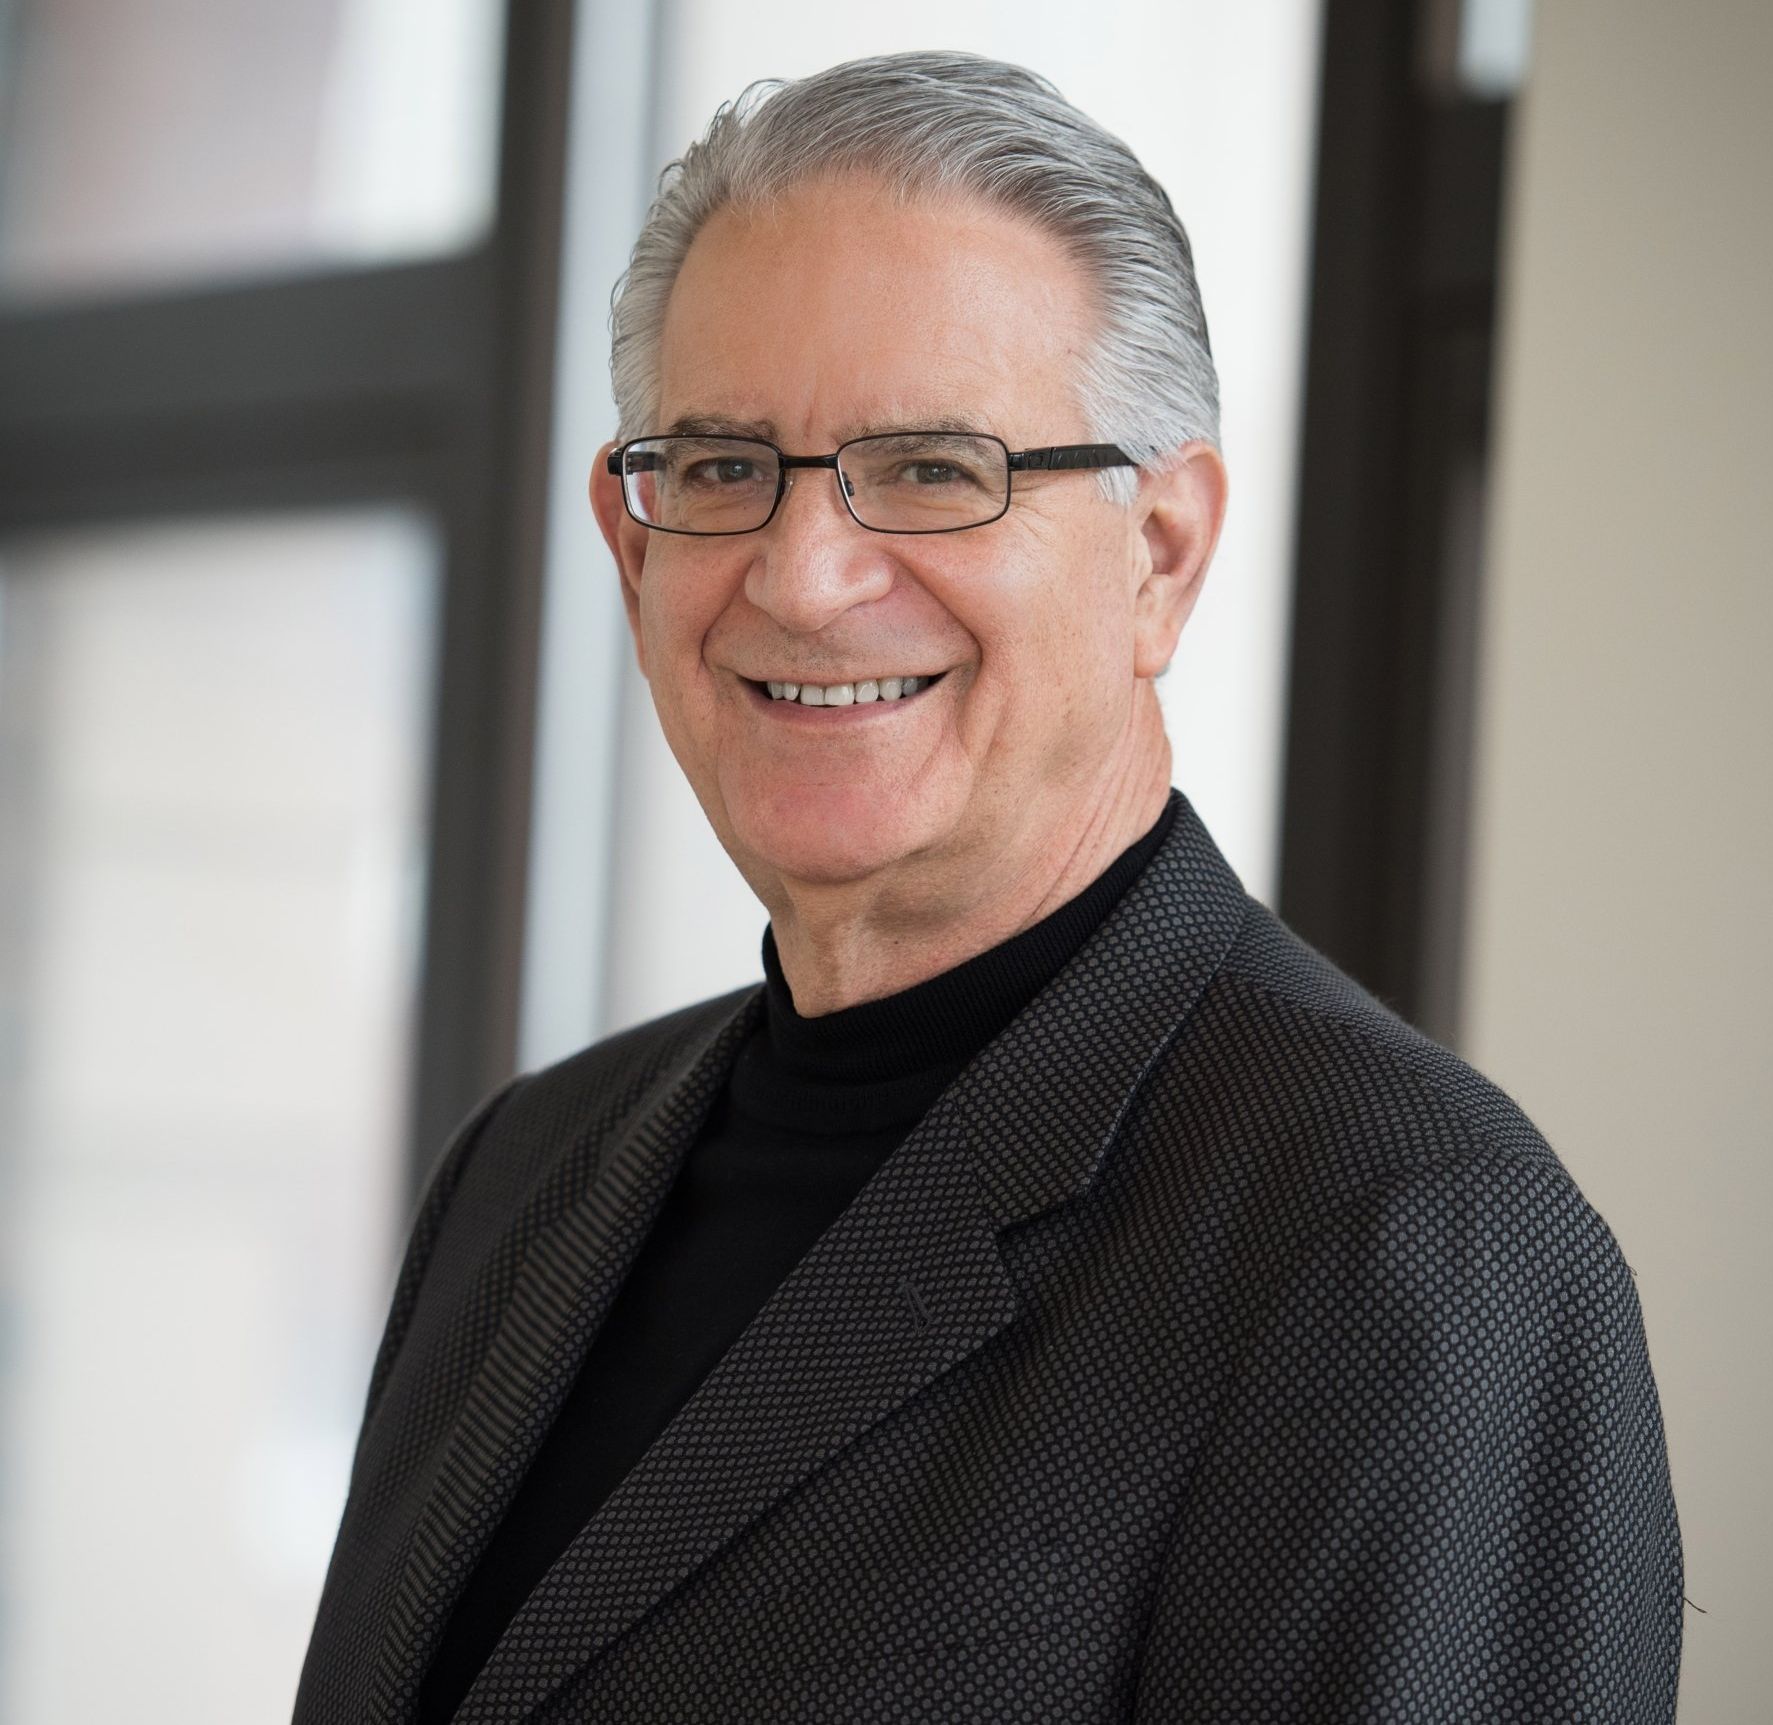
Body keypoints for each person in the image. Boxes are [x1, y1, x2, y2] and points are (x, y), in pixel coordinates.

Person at [293, 50, 1683, 1724]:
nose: (804, 578)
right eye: (726, 466)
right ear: (629, 539)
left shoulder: (1401, 1247)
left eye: (938, 469)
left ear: (1159, 553)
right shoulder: (519, 1176)